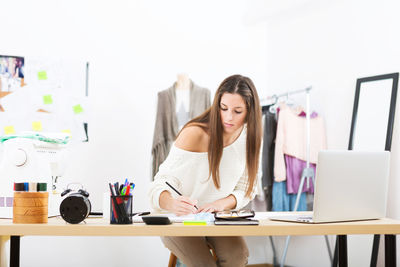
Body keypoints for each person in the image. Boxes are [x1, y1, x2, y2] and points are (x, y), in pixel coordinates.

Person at [148, 74, 262, 267]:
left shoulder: (250, 136)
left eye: (237, 111)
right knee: (204, 264)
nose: (228, 117)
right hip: (178, 218)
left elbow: (248, 187)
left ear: (250, 112)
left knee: (238, 255)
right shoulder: (195, 133)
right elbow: (158, 184)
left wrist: (221, 204)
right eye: (223, 108)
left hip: (216, 217)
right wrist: (172, 203)